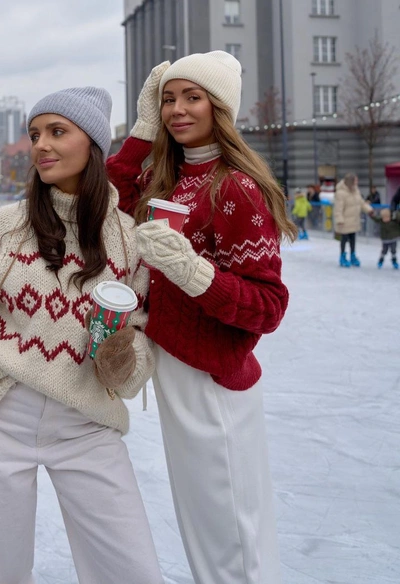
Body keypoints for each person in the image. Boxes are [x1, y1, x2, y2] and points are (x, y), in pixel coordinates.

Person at [0, 86, 164, 584]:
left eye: (57, 132)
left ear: (92, 145)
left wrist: (128, 359)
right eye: (35, 134)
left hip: (87, 424)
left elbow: (139, 334)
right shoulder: (4, 227)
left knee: (130, 567)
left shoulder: (128, 238)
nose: (41, 145)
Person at [106, 51, 296, 584]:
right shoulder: (168, 180)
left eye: (192, 97)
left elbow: (268, 306)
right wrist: (143, 129)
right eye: (169, 99)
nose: (177, 110)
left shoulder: (235, 187)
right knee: (202, 520)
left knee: (229, 524)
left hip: (212, 378)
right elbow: (110, 195)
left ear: (220, 107)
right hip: (174, 363)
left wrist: (193, 273)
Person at [333, 173, 373, 267]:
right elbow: (338, 208)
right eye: (355, 180)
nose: (357, 182)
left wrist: (369, 210)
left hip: (354, 220)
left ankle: (353, 255)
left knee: (353, 239)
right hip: (344, 222)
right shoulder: (340, 193)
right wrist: (340, 220)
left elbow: (361, 203)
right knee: (344, 239)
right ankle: (342, 256)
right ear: (350, 181)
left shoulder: (356, 191)